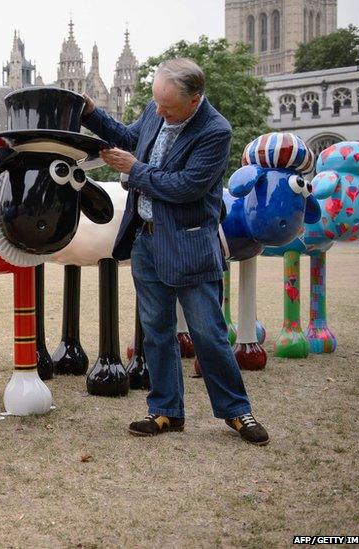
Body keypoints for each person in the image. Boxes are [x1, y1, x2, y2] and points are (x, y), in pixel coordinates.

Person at [81, 58, 269, 446]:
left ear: (195, 98)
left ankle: (236, 411)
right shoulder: (158, 106)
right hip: (147, 241)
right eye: (157, 104)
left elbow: (185, 187)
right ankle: (166, 410)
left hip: (190, 243)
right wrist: (92, 113)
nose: (160, 112)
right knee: (156, 331)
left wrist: (135, 171)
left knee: (208, 333)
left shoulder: (215, 131)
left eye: (169, 107)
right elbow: (132, 137)